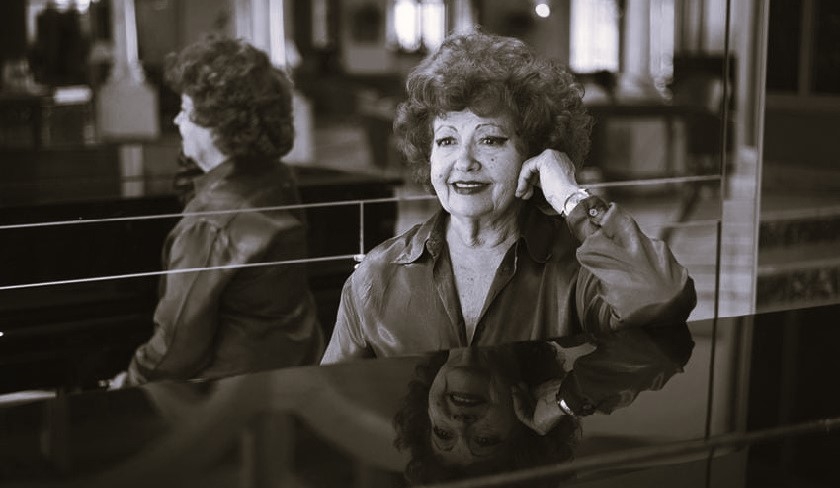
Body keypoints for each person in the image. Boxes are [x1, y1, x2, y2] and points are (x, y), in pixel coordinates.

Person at [321, 30, 696, 364]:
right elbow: (329, 396)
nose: (464, 162)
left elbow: (662, 296)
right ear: (428, 155)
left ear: (535, 152)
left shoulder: (579, 270)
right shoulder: (376, 277)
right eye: (447, 141)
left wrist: (570, 196)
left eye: (490, 139)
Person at [112, 37, 323, 387]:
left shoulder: (211, 222)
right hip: (292, 372)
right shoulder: (277, 177)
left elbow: (177, 350)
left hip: (227, 395)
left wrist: (129, 382)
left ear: (217, 126)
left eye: (185, 110)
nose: (178, 121)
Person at [392, 324, 694, 485]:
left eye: (443, 434)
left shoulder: (393, 320)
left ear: (426, 408)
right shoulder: (564, 321)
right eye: (484, 440)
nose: (460, 423)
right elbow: (662, 351)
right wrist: (566, 400)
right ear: (523, 417)